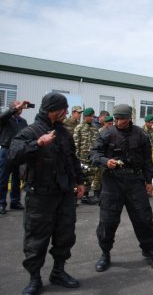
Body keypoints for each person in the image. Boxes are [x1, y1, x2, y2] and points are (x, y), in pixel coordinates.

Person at [8, 92, 85, 295]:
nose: (67, 112)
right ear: (53, 110)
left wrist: (80, 181)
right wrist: (38, 144)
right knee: (36, 238)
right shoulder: (30, 131)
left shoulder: (64, 133)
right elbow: (13, 154)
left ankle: (58, 272)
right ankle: (34, 279)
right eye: (64, 109)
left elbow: (72, 159)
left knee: (65, 235)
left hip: (64, 194)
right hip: (40, 196)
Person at [90, 104, 153, 273]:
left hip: (135, 181)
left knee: (143, 217)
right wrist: (104, 161)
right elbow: (93, 153)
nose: (117, 122)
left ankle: (148, 249)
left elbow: (147, 161)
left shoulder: (141, 135)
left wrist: (148, 182)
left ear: (129, 118)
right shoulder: (106, 133)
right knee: (108, 220)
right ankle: (105, 253)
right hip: (112, 181)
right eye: (115, 118)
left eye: (121, 119)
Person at [0, 100, 29, 214]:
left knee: (17, 178)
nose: (20, 110)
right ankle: (1, 203)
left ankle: (15, 201)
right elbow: (2, 117)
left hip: (19, 152)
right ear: (12, 108)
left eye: (21, 109)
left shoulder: (23, 121)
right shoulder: (6, 120)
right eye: (18, 108)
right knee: (3, 177)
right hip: (7, 150)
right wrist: (14, 109)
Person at [73, 107, 99, 204]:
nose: (92, 118)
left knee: (89, 177)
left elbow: (97, 143)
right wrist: (76, 159)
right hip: (81, 158)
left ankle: (85, 196)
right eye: (90, 116)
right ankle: (75, 197)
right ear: (86, 117)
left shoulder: (95, 128)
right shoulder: (79, 127)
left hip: (91, 158)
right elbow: (75, 144)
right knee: (79, 177)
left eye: (93, 116)